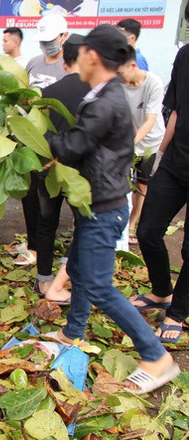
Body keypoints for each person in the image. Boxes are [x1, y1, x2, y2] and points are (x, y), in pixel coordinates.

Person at [47, 24, 179, 395]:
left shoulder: (105, 102)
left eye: (80, 53)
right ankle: (73, 332)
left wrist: (39, 131)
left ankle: (157, 357)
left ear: (92, 56)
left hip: (105, 209)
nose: (75, 61)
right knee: (78, 269)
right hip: (97, 205)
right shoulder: (105, 94)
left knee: (101, 287)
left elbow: (72, 147)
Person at [134, 2, 189, 345]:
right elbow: (176, 111)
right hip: (175, 163)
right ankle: (160, 291)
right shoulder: (185, 56)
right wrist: (161, 154)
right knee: (148, 231)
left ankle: (178, 312)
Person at [34, 34, 91, 305]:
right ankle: (68, 277)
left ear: (64, 61)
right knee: (83, 227)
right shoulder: (95, 93)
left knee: (46, 224)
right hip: (83, 174)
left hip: (50, 169)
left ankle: (44, 278)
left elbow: (37, 133)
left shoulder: (48, 93)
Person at [14, 13, 69, 266]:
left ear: (63, 37)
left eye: (51, 40)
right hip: (30, 143)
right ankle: (35, 245)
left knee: (52, 199)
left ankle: (48, 248)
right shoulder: (34, 63)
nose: (47, 45)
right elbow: (22, 95)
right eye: (43, 40)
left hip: (56, 146)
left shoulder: (68, 66)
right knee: (30, 195)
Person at [118, 45, 165, 244]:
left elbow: (150, 121)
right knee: (124, 185)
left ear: (133, 65)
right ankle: (121, 228)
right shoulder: (120, 85)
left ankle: (133, 224)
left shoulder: (153, 83)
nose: (119, 77)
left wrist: (131, 144)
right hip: (130, 141)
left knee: (142, 185)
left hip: (150, 144)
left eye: (120, 72)